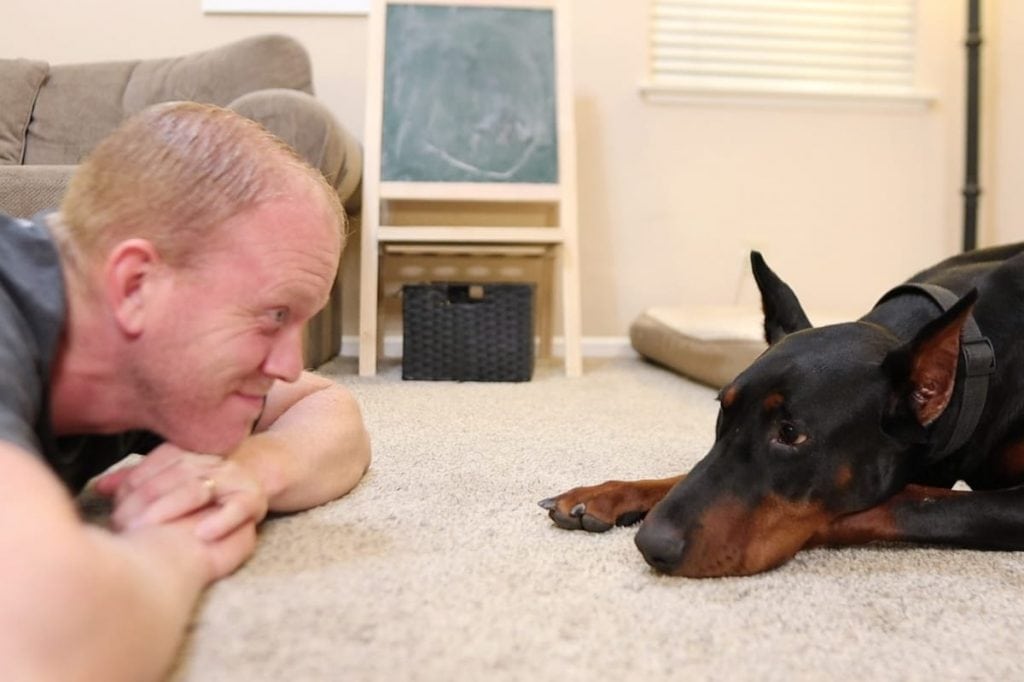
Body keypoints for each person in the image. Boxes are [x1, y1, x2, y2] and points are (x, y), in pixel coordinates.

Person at [0, 101, 371, 681]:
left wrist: (249, 472)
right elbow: (41, 637)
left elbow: (327, 406)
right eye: (274, 314)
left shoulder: (134, 355)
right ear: (136, 284)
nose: (288, 363)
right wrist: (180, 545)